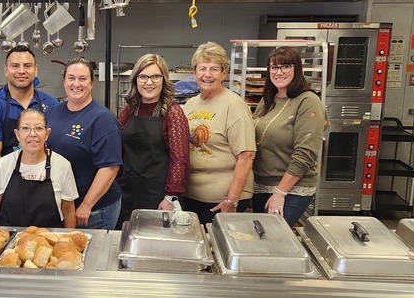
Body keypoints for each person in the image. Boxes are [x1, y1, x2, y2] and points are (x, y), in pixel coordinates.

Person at [181, 41, 256, 226]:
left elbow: (246, 157)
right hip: (191, 196)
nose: (207, 75)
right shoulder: (190, 105)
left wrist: (232, 200)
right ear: (194, 72)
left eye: (214, 69)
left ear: (224, 72)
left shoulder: (235, 105)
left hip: (222, 200)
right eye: (202, 69)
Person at [252, 45, 326, 227]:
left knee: (273, 237)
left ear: (297, 69)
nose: (279, 72)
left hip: (291, 188)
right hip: (261, 184)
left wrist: (280, 193)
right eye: (274, 67)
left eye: (286, 66)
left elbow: (306, 153)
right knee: (262, 237)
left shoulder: (308, 101)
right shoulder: (268, 100)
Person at [46, 59, 123, 230]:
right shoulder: (52, 113)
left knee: (94, 256)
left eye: (82, 79)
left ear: (91, 83)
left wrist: (86, 205)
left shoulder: (102, 119)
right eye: (71, 78)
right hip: (64, 205)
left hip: (93, 210)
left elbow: (110, 168)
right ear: (64, 82)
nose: (76, 84)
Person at [116, 53, 189, 225]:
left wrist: (170, 197)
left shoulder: (173, 112)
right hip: (128, 192)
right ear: (135, 79)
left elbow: (180, 159)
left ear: (164, 79)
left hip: (159, 196)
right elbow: (120, 151)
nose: (149, 83)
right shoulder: (128, 110)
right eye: (143, 76)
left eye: (155, 76)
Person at [0, 109, 78, 228]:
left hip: (49, 241)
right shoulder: (3, 164)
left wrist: (67, 243)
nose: (32, 134)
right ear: (17, 135)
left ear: (47, 134)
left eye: (39, 128)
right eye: (25, 128)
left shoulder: (62, 165)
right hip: (9, 240)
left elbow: (69, 211)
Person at [0, 47, 59, 172]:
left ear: (36, 70)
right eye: (15, 66)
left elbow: (54, 147)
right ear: (6, 70)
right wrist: (3, 188)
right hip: (7, 178)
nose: (21, 71)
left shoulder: (51, 103)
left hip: (43, 178)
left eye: (27, 66)